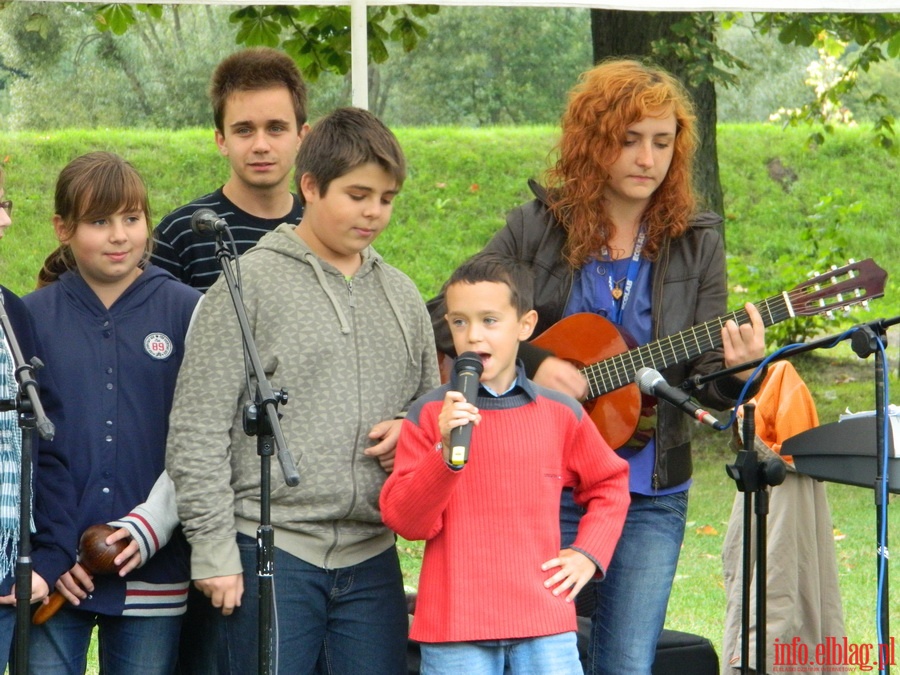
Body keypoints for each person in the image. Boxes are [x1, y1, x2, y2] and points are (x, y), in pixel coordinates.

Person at [427, 59, 766, 674]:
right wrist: (537, 361)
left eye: (662, 143)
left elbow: (707, 382)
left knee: (627, 663)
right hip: (542, 485)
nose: (647, 157)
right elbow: (446, 314)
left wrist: (739, 374)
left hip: (650, 487)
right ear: (593, 141)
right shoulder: (538, 228)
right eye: (629, 139)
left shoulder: (697, 239)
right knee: (537, 654)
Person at [165, 106, 440, 674]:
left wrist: (413, 429)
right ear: (310, 186)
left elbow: (431, 413)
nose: (373, 212)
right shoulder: (246, 284)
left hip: (372, 560)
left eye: (386, 199)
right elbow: (195, 428)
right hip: (270, 549)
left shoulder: (403, 296)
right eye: (358, 194)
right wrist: (214, 549)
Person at [381, 252, 630, 674]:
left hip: (543, 625)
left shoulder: (560, 411)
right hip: (455, 628)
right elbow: (408, 522)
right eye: (459, 322)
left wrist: (588, 553)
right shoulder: (427, 415)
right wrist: (444, 453)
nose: (473, 336)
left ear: (526, 326)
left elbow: (609, 484)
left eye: (490, 321)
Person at [23, 152, 202, 674]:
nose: (119, 235)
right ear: (63, 228)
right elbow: (23, 448)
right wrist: (50, 555)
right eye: (99, 222)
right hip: (57, 576)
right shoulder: (30, 319)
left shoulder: (186, 309)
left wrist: (149, 530)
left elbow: (202, 437)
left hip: (156, 568)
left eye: (131, 218)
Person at [152, 47, 309, 292]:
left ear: (301, 136)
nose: (261, 145)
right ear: (222, 140)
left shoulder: (322, 225)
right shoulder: (180, 236)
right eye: (244, 130)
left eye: (276, 128)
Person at [0, 166, 72, 669]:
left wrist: (46, 561)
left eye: (4, 205)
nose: (4, 220)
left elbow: (45, 445)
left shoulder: (9, 311)